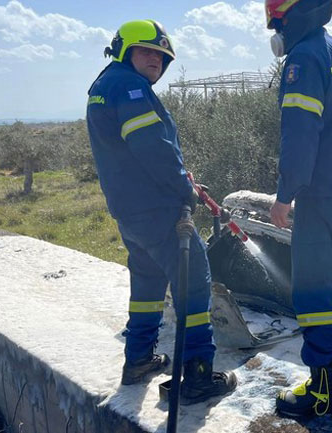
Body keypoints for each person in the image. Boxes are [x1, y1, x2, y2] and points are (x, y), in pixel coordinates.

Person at [86, 19, 236, 405]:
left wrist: (184, 180)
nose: (156, 59)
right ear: (125, 51)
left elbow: (134, 154)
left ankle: (139, 360)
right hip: (159, 210)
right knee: (194, 283)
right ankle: (198, 376)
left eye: (161, 55)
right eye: (146, 51)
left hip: (131, 213)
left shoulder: (104, 85)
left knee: (148, 287)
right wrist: (183, 188)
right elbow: (152, 147)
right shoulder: (130, 86)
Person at [265, 0, 332, 418]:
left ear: (289, 17)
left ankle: (323, 391)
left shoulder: (304, 59)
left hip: (321, 193)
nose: (276, 31)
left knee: (313, 286)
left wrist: (285, 194)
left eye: (276, 23)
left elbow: (299, 134)